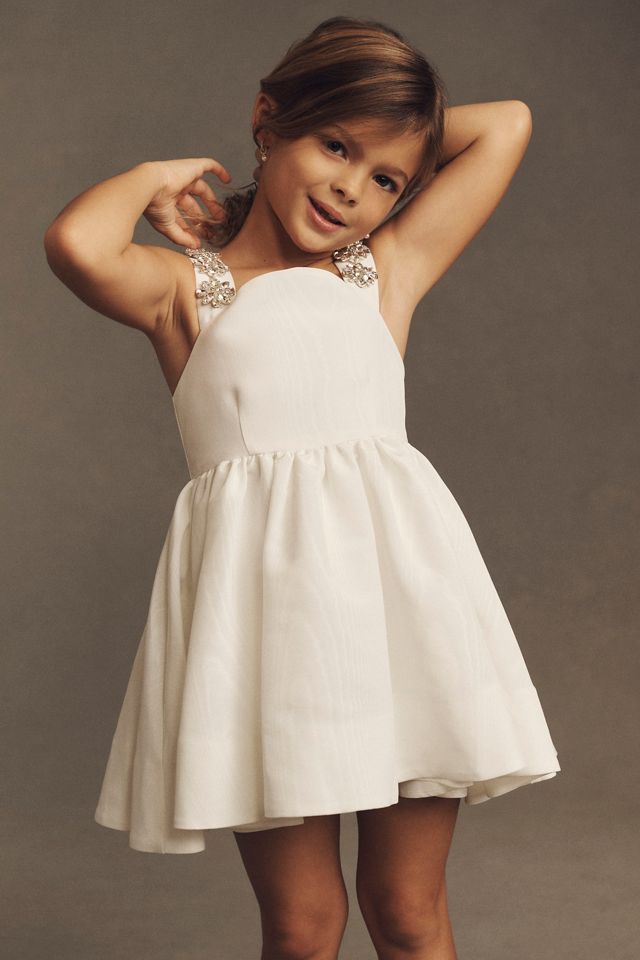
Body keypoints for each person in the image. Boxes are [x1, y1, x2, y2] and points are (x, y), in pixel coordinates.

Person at [44, 15, 560, 960]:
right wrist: (159, 177)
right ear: (266, 120)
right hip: (268, 635)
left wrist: (382, 128)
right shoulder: (184, 291)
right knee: (304, 924)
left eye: (388, 179)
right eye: (335, 146)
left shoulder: (385, 272)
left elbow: (509, 122)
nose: (352, 188)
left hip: (402, 618)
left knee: (409, 912)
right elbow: (77, 243)